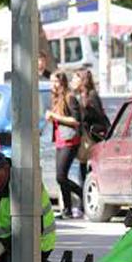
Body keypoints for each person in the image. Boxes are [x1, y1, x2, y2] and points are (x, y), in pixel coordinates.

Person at [45, 72, 84, 219]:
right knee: (60, 176)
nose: (52, 85)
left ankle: (81, 193)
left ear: (62, 82)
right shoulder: (56, 99)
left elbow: (76, 120)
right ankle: (67, 209)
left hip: (70, 141)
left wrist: (55, 116)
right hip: (61, 140)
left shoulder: (69, 97)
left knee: (61, 176)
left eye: (55, 82)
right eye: (51, 82)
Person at [71, 68, 110, 179]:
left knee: (90, 167)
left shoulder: (92, 95)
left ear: (82, 80)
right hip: (86, 138)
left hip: (94, 137)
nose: (72, 81)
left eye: (75, 78)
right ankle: (84, 191)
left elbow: (100, 116)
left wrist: (85, 114)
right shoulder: (78, 96)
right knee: (83, 165)